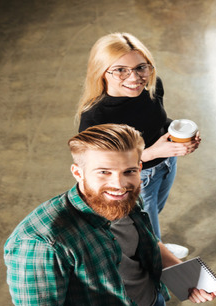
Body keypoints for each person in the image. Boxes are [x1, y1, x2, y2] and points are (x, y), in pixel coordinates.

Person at [4, 124, 216, 306]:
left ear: (139, 167)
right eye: (104, 172)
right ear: (78, 172)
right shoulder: (41, 241)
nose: (119, 184)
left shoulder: (124, 197)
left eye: (129, 171)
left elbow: (148, 242)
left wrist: (183, 274)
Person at [77, 32, 200, 259]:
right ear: (101, 71)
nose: (134, 78)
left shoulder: (152, 87)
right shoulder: (96, 116)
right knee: (144, 225)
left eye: (141, 67)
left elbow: (157, 120)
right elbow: (103, 165)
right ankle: (156, 257)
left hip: (166, 164)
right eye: (120, 70)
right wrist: (152, 152)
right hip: (137, 176)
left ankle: (156, 246)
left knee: (154, 211)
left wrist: (177, 131)